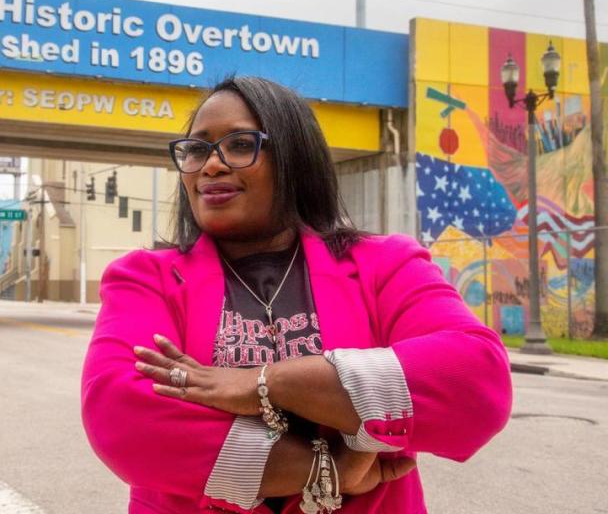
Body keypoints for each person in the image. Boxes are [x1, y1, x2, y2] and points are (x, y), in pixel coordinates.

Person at [81, 77, 512, 513]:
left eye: (239, 144)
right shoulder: (146, 277)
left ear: (294, 156)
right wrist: (326, 469)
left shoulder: (384, 264)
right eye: (196, 150)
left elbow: (477, 385)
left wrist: (263, 384)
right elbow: (121, 417)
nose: (210, 166)